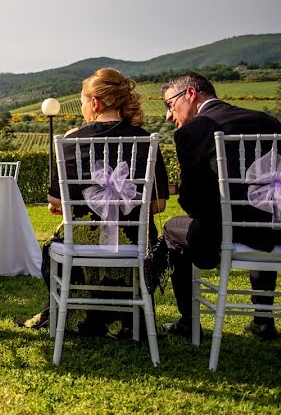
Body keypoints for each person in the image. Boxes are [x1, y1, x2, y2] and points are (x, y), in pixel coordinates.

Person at [15, 68, 169, 336]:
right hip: (134, 243)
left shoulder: (72, 141)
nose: (84, 107)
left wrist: (79, 206)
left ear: (95, 102)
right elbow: (159, 205)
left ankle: (79, 314)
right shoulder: (145, 140)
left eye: (84, 101)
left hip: (82, 245)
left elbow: (54, 199)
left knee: (55, 246)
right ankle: (125, 318)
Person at [152, 72, 281, 341]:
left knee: (173, 228)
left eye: (170, 105)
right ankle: (263, 321)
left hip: (226, 233)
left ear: (191, 94)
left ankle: (189, 322)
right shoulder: (269, 121)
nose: (168, 116)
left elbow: (192, 200)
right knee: (257, 221)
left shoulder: (194, 131)